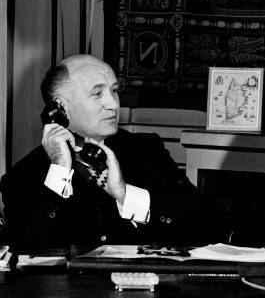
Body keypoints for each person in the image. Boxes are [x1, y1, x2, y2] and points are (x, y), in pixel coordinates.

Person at [1, 54, 228, 250]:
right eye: (97, 94)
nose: (114, 104)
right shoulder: (23, 176)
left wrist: (125, 195)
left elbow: (208, 226)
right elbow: (23, 249)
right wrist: (59, 168)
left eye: (114, 91)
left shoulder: (147, 152)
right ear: (60, 107)